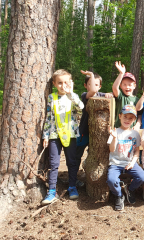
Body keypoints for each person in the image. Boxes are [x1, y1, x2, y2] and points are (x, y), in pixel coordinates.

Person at [42, 69, 84, 205]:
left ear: (70, 83)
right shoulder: (51, 97)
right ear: (54, 83)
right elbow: (48, 118)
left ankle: (72, 186)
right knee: (54, 163)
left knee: (72, 162)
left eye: (66, 82)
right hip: (54, 134)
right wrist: (46, 135)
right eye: (59, 83)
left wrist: (71, 93)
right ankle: (52, 191)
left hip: (70, 134)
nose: (63, 85)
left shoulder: (73, 96)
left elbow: (80, 108)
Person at [107, 105, 144, 211]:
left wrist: (133, 162)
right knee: (111, 180)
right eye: (125, 117)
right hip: (115, 163)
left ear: (134, 120)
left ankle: (130, 189)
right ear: (120, 116)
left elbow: (137, 150)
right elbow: (111, 149)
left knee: (142, 176)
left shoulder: (135, 134)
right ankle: (119, 195)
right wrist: (114, 137)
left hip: (129, 162)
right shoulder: (115, 131)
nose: (127, 120)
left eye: (131, 118)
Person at [76, 71, 113, 174]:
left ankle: (87, 170)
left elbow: (109, 95)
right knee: (76, 156)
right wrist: (92, 75)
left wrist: (109, 94)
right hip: (84, 132)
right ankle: (73, 178)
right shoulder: (85, 96)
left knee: (94, 156)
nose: (94, 86)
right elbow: (92, 91)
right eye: (90, 84)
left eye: (96, 84)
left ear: (100, 86)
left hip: (97, 134)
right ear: (85, 86)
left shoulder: (100, 95)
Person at [112, 61, 141, 129]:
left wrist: (137, 124)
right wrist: (121, 74)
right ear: (121, 86)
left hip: (131, 131)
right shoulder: (121, 96)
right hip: (119, 129)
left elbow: (139, 115)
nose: (127, 87)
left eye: (130, 85)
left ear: (134, 86)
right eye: (124, 84)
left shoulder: (137, 100)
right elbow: (115, 88)